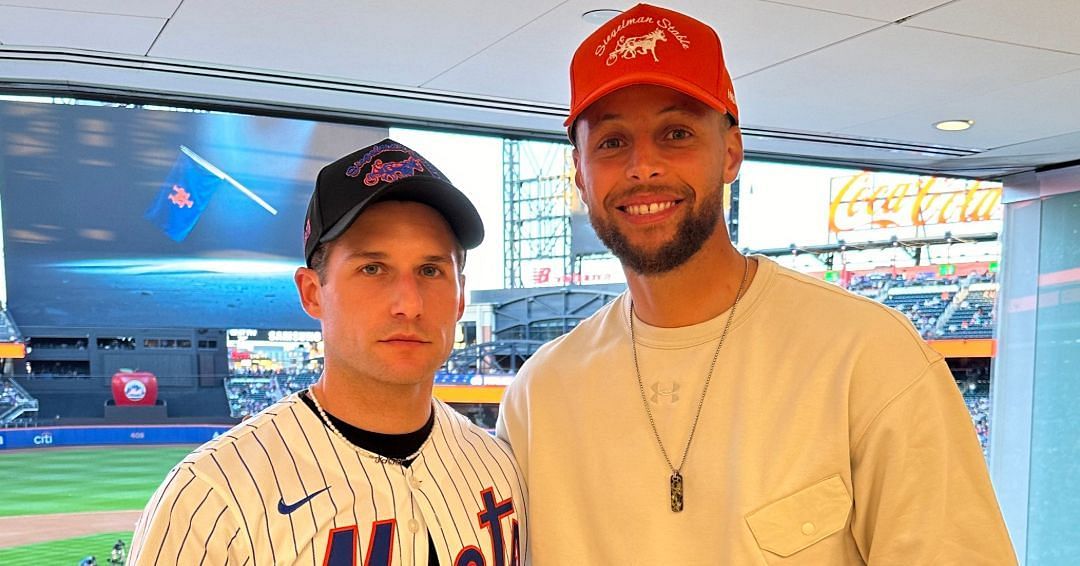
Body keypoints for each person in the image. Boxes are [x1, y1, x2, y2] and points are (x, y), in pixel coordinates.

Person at [497, 3, 1015, 564]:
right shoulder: (539, 396)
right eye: (611, 142)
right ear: (580, 173)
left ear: (731, 153)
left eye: (675, 133)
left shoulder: (869, 358)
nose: (643, 166)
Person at [129, 139, 528, 565]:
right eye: (372, 269)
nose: (409, 304)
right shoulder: (213, 497)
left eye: (431, 270)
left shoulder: (496, 466)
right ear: (312, 293)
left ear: (461, 296)